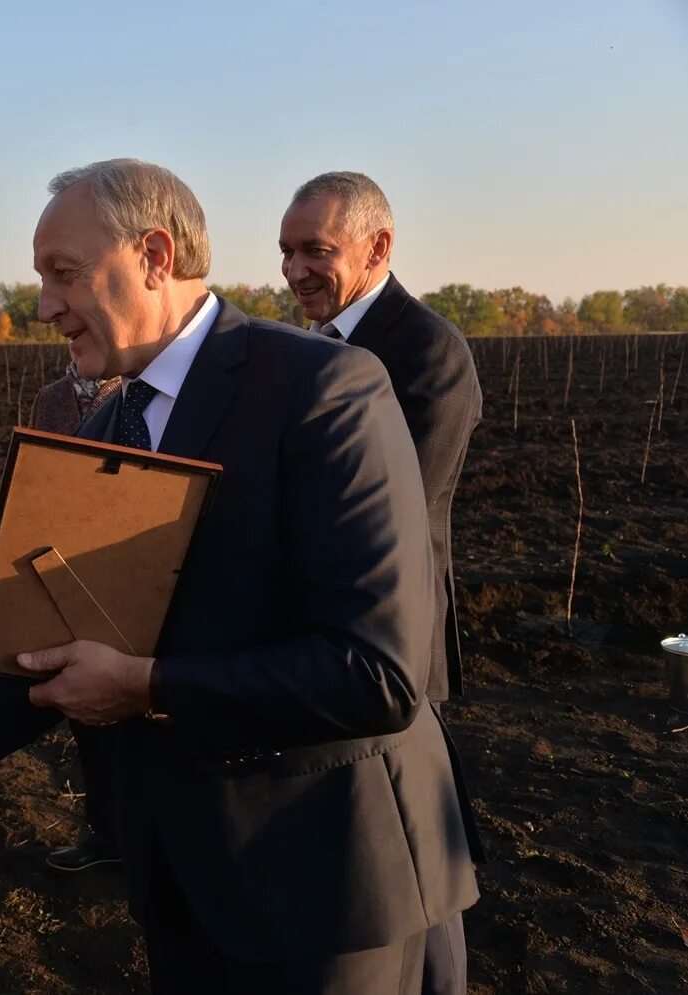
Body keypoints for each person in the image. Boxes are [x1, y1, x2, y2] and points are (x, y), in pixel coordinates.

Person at [0, 159, 480, 994]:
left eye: (63, 273)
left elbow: (377, 670)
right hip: (180, 882)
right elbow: (50, 630)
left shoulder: (321, 388)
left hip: (324, 887)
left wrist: (149, 685)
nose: (43, 306)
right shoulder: (102, 425)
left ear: (153, 254)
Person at [280, 171, 484, 995]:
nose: (294, 269)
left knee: (417, 853)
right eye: (286, 251)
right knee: (368, 849)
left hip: (389, 640)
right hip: (323, 643)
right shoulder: (308, 349)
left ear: (378, 248)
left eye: (315, 250)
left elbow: (389, 519)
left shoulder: (426, 350)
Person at [25, 366, 124, 874]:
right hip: (60, 565)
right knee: (88, 717)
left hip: (121, 568)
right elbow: (35, 479)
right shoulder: (51, 398)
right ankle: (106, 832)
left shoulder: (131, 391)